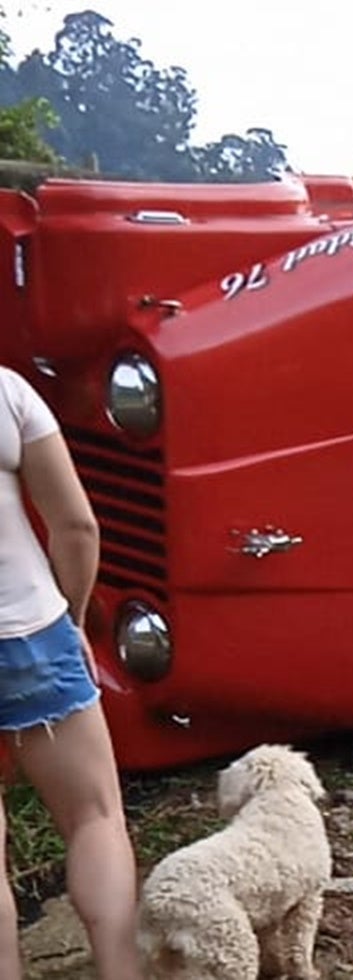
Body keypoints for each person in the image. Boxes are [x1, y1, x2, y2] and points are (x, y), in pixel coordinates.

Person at [0, 367, 141, 979]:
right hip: (31, 630)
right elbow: (76, 526)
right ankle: (118, 970)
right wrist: (75, 617)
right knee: (94, 817)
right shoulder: (7, 391)